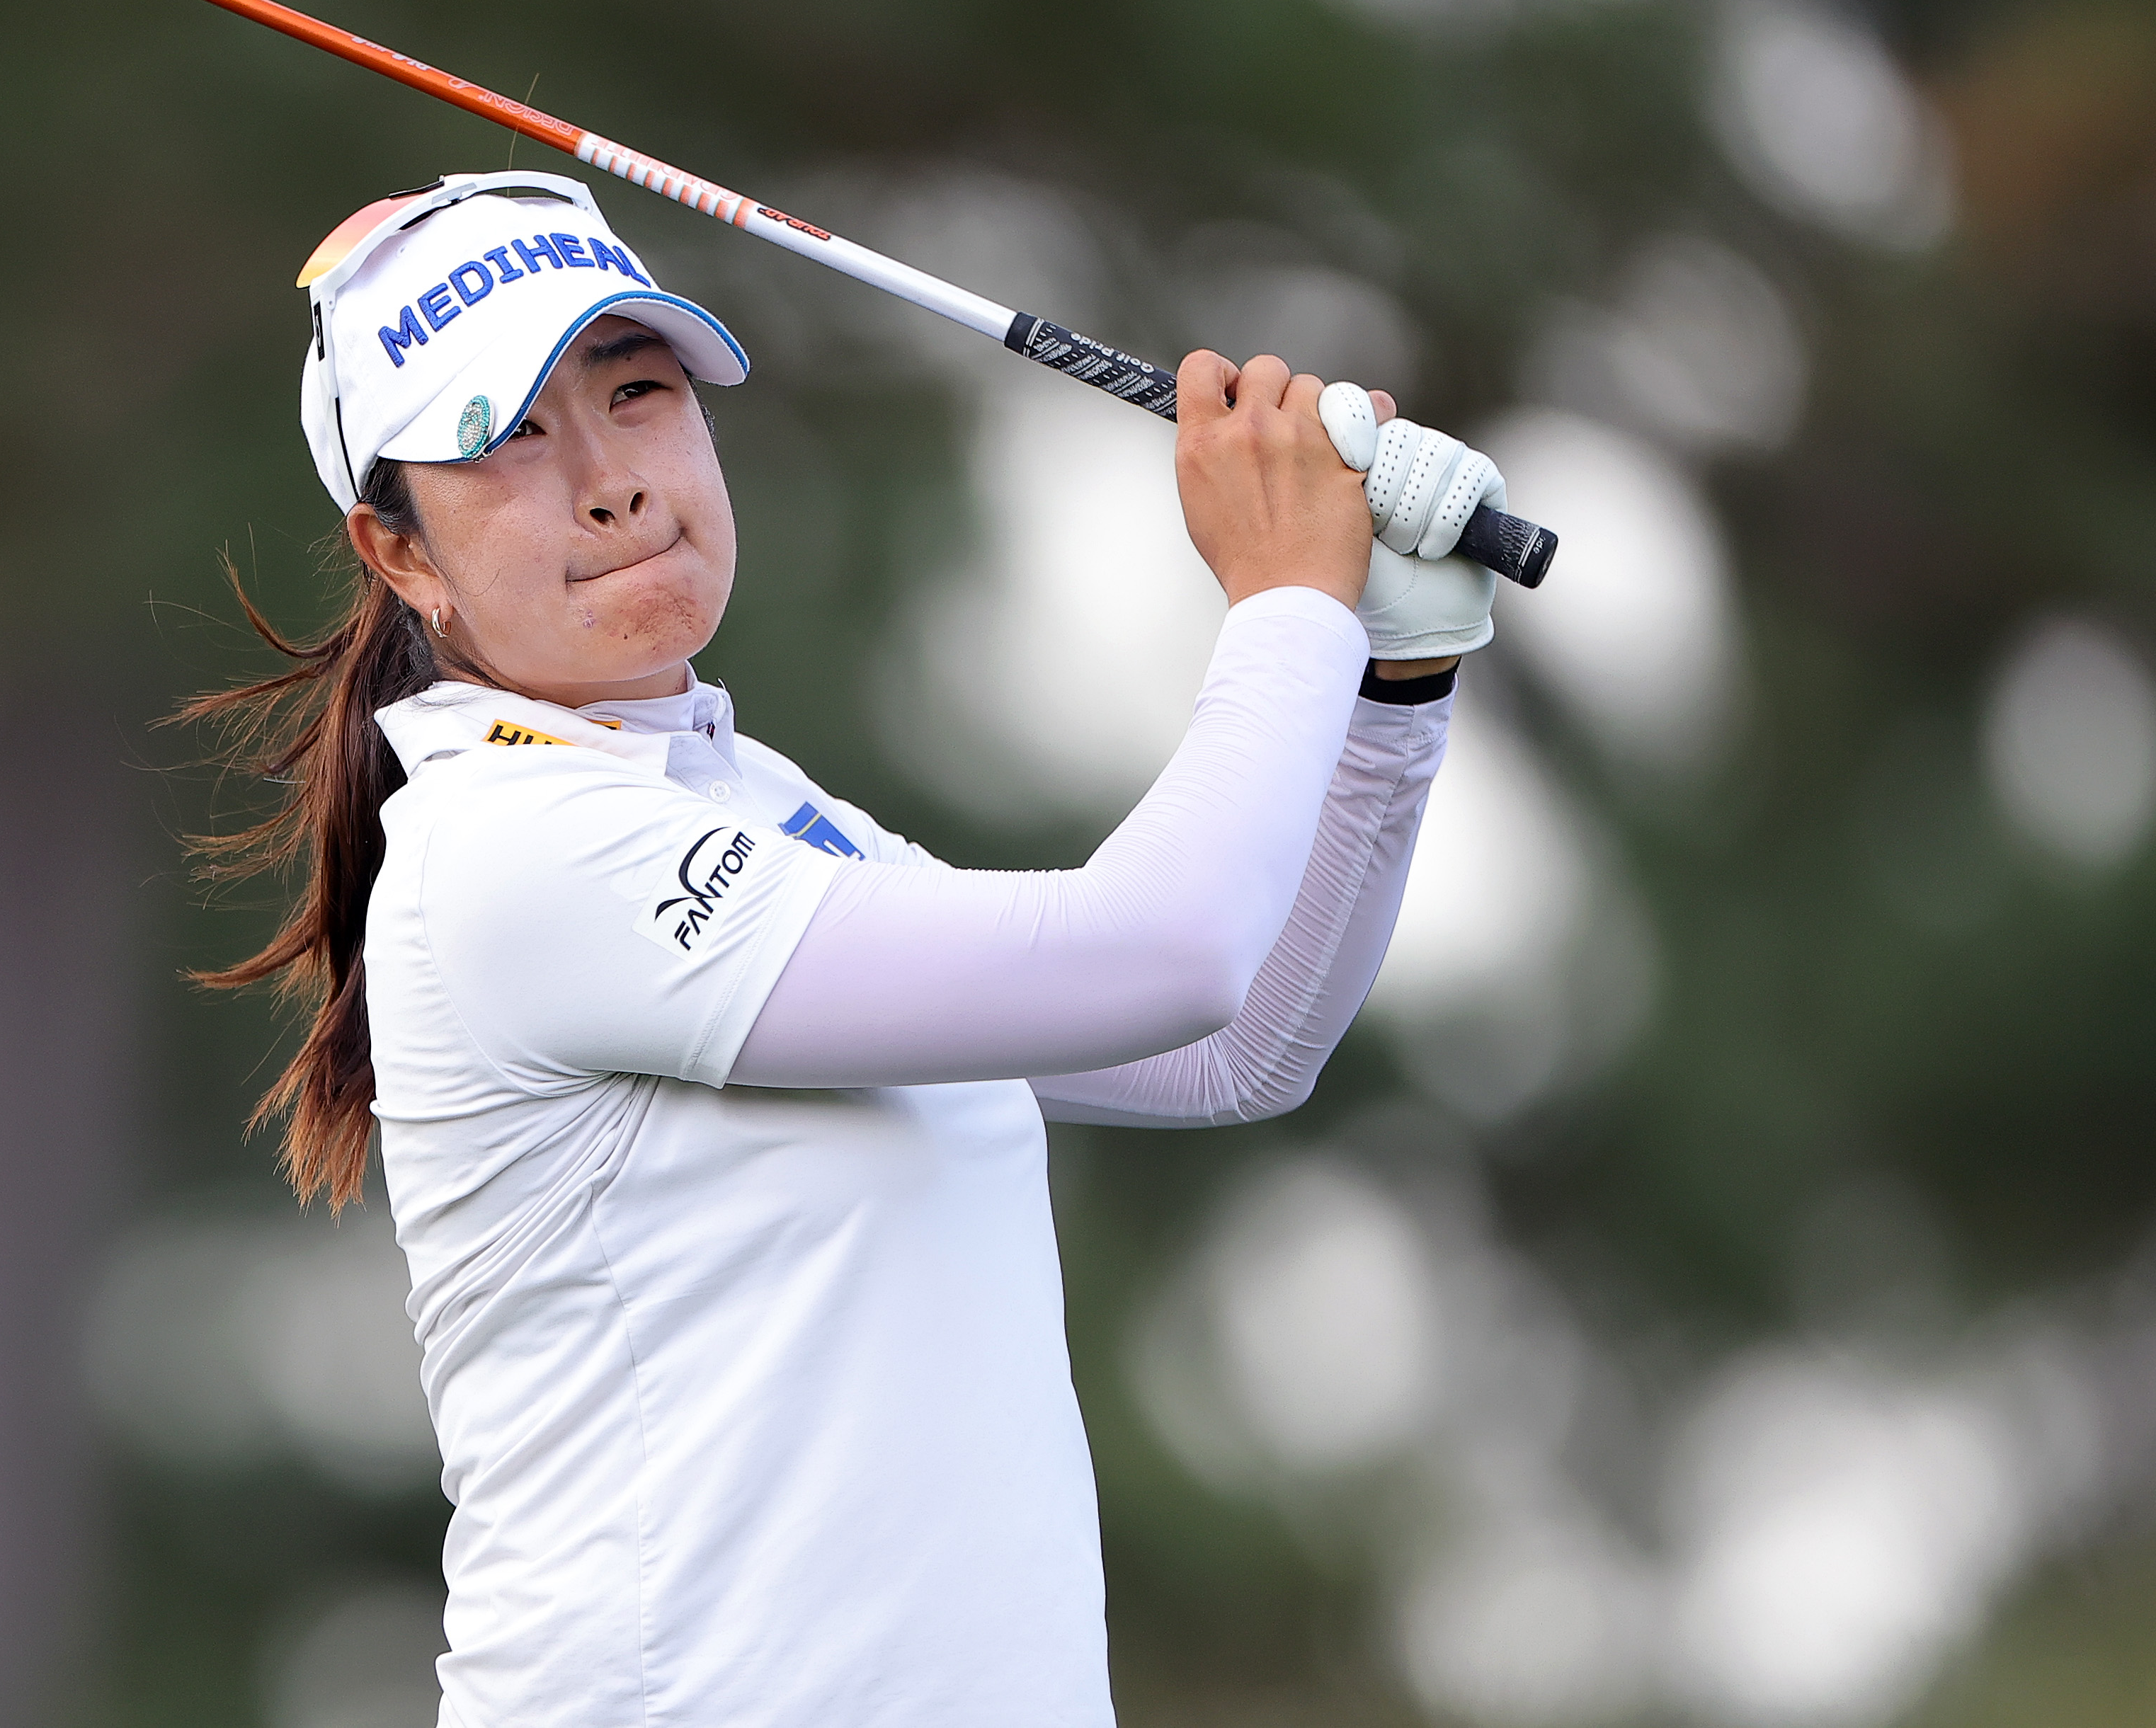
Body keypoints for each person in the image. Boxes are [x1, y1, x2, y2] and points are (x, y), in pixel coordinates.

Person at [182, 171, 1504, 1728]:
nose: (610, 480)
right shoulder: (510, 846)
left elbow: (1228, 1045)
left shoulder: (755, 806)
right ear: (402, 555)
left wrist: (1388, 677)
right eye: (511, 437)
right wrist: (1288, 603)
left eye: (637, 394)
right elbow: (1163, 950)